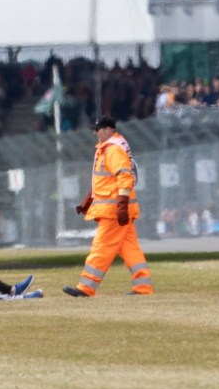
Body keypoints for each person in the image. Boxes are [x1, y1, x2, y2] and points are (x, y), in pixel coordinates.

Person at [64, 117, 153, 297]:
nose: (95, 133)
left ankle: (86, 288)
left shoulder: (112, 150)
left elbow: (124, 177)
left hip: (114, 211)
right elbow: (104, 181)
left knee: (101, 247)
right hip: (117, 209)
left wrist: (121, 205)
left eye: (97, 129)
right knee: (130, 248)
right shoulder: (112, 148)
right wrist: (88, 201)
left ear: (108, 129)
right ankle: (143, 287)